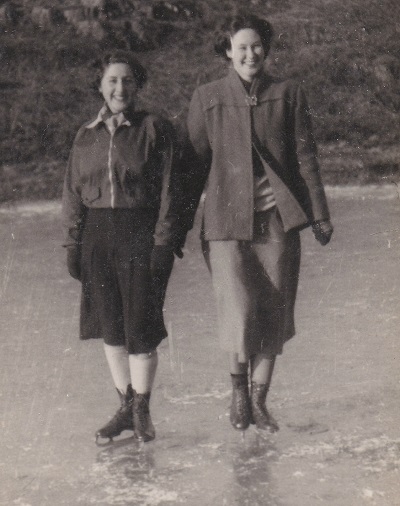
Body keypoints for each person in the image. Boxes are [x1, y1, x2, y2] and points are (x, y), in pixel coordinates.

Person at [184, 14, 334, 433]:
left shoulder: (289, 93)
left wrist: (320, 214)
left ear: (266, 49)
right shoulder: (207, 97)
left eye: (257, 46)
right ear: (228, 50)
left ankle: (259, 400)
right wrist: (174, 229)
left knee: (273, 309)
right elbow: (191, 169)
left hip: (277, 222)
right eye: (242, 46)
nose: (251, 54)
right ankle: (237, 393)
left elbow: (307, 157)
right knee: (238, 311)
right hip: (226, 225)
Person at [62, 49, 184, 444]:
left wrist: (164, 243)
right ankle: (125, 407)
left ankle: (142, 409)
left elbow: (171, 190)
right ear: (100, 85)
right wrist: (72, 242)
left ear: (138, 85)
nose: (120, 88)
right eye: (112, 80)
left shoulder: (155, 129)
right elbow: (72, 192)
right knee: (111, 328)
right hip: (97, 237)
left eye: (128, 80)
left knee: (141, 328)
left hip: (139, 235)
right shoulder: (85, 135)